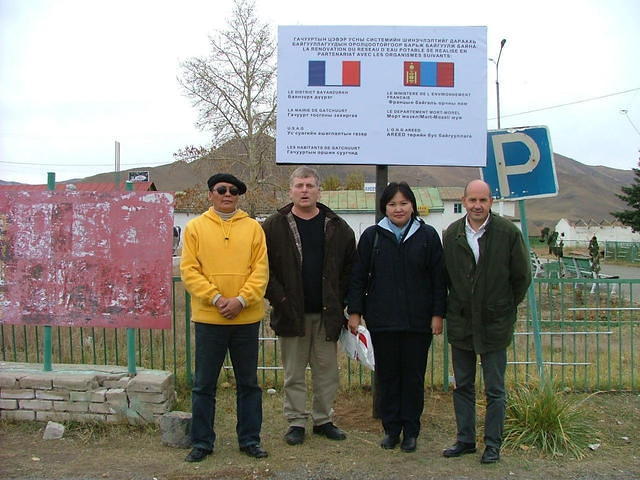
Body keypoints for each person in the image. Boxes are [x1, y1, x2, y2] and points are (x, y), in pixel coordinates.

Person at [347, 181, 446, 453]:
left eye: (403, 203)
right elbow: (358, 277)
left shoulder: (427, 236)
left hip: (418, 322)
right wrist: (355, 311)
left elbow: (439, 279)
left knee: (413, 378)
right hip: (383, 321)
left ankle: (411, 430)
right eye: (392, 204)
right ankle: (391, 430)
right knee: (388, 377)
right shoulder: (372, 236)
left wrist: (438, 314)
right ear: (384, 208)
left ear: (413, 205)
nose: (398, 208)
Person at [262, 166, 356, 446]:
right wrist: (280, 299)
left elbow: (350, 269)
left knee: (327, 372)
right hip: (291, 313)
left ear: (319, 190)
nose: (305, 190)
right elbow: (263, 269)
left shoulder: (337, 226)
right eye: (299, 185)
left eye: (310, 185)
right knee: (293, 373)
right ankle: (296, 422)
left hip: (327, 314)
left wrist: (344, 303)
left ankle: (323, 420)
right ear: (290, 190)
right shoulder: (274, 225)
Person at [180, 173, 269, 462]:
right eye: (221, 190)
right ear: (211, 194)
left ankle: (250, 440)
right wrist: (217, 298)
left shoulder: (254, 228)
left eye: (233, 191)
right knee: (204, 384)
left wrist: (241, 300)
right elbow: (189, 271)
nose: (227, 194)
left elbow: (261, 270)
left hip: (246, 318)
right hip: (209, 319)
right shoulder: (194, 228)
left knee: (249, 384)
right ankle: (202, 442)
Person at [441, 179, 531, 464]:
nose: (477, 206)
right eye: (472, 200)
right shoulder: (452, 233)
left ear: (491, 202)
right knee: (463, 385)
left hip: (495, 324)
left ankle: (493, 444)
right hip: (462, 323)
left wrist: (502, 307)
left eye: (483, 200)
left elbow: (521, 277)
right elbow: (446, 278)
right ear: (464, 201)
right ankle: (465, 440)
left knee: (495, 388)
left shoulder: (507, 233)